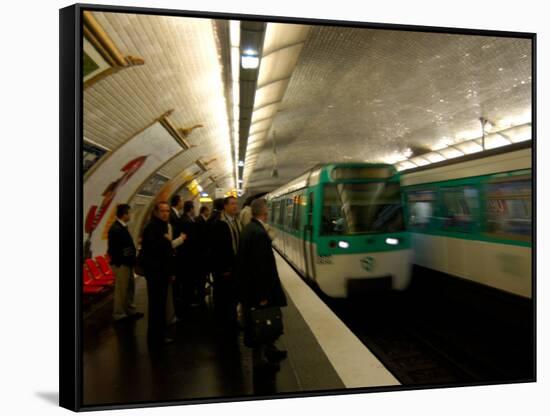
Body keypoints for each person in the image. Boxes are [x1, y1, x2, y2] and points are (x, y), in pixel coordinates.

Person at [237, 198, 288, 371]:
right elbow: (260, 268)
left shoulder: (249, 229)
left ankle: (270, 351)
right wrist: (263, 295)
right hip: (259, 290)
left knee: (260, 322)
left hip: (251, 287)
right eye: (268, 211)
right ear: (264, 213)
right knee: (261, 322)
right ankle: (261, 363)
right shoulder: (258, 233)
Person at [141, 201, 176, 346]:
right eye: (162, 211)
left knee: (160, 305)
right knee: (157, 305)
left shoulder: (160, 227)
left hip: (160, 272)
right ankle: (156, 337)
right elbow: (155, 252)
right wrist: (166, 241)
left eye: (167, 211)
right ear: (156, 212)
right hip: (156, 273)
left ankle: (158, 334)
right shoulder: (153, 228)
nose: (165, 214)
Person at [211, 196, 242, 333]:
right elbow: (215, 249)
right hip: (223, 269)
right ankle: (223, 325)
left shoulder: (236, 222)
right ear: (225, 206)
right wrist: (223, 268)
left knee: (233, 297)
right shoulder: (219, 223)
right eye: (232, 204)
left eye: (236, 204)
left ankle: (232, 321)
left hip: (234, 267)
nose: (235, 206)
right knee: (222, 297)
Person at [107, 204, 143, 322]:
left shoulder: (122, 227)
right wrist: (121, 262)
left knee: (129, 288)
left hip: (127, 263)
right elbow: (114, 249)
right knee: (121, 290)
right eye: (129, 213)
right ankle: (119, 314)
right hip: (122, 264)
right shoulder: (116, 229)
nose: (131, 215)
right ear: (124, 214)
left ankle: (130, 310)